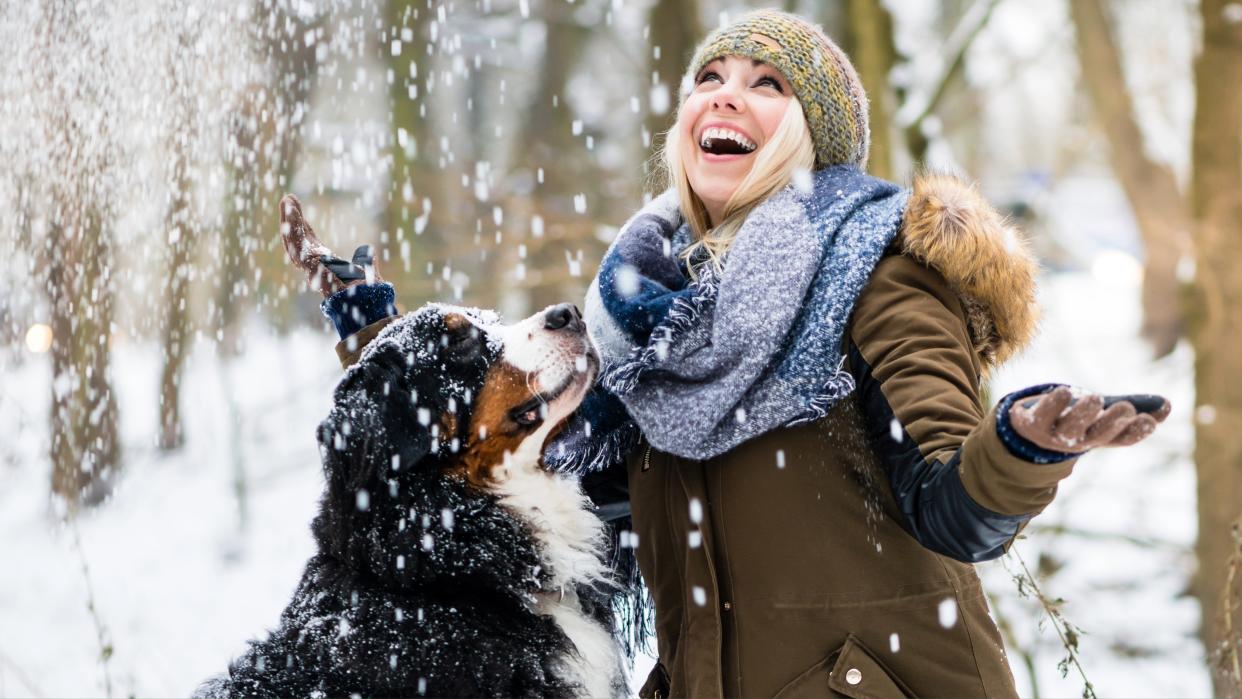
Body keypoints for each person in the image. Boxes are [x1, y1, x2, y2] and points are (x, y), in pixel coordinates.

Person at [281, 10, 1169, 698]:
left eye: (767, 83)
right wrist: (378, 345)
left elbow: (953, 508)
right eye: (709, 76)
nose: (725, 92)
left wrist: (1019, 447)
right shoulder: (652, 323)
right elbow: (526, 460)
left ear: (808, 137)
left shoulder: (877, 274)